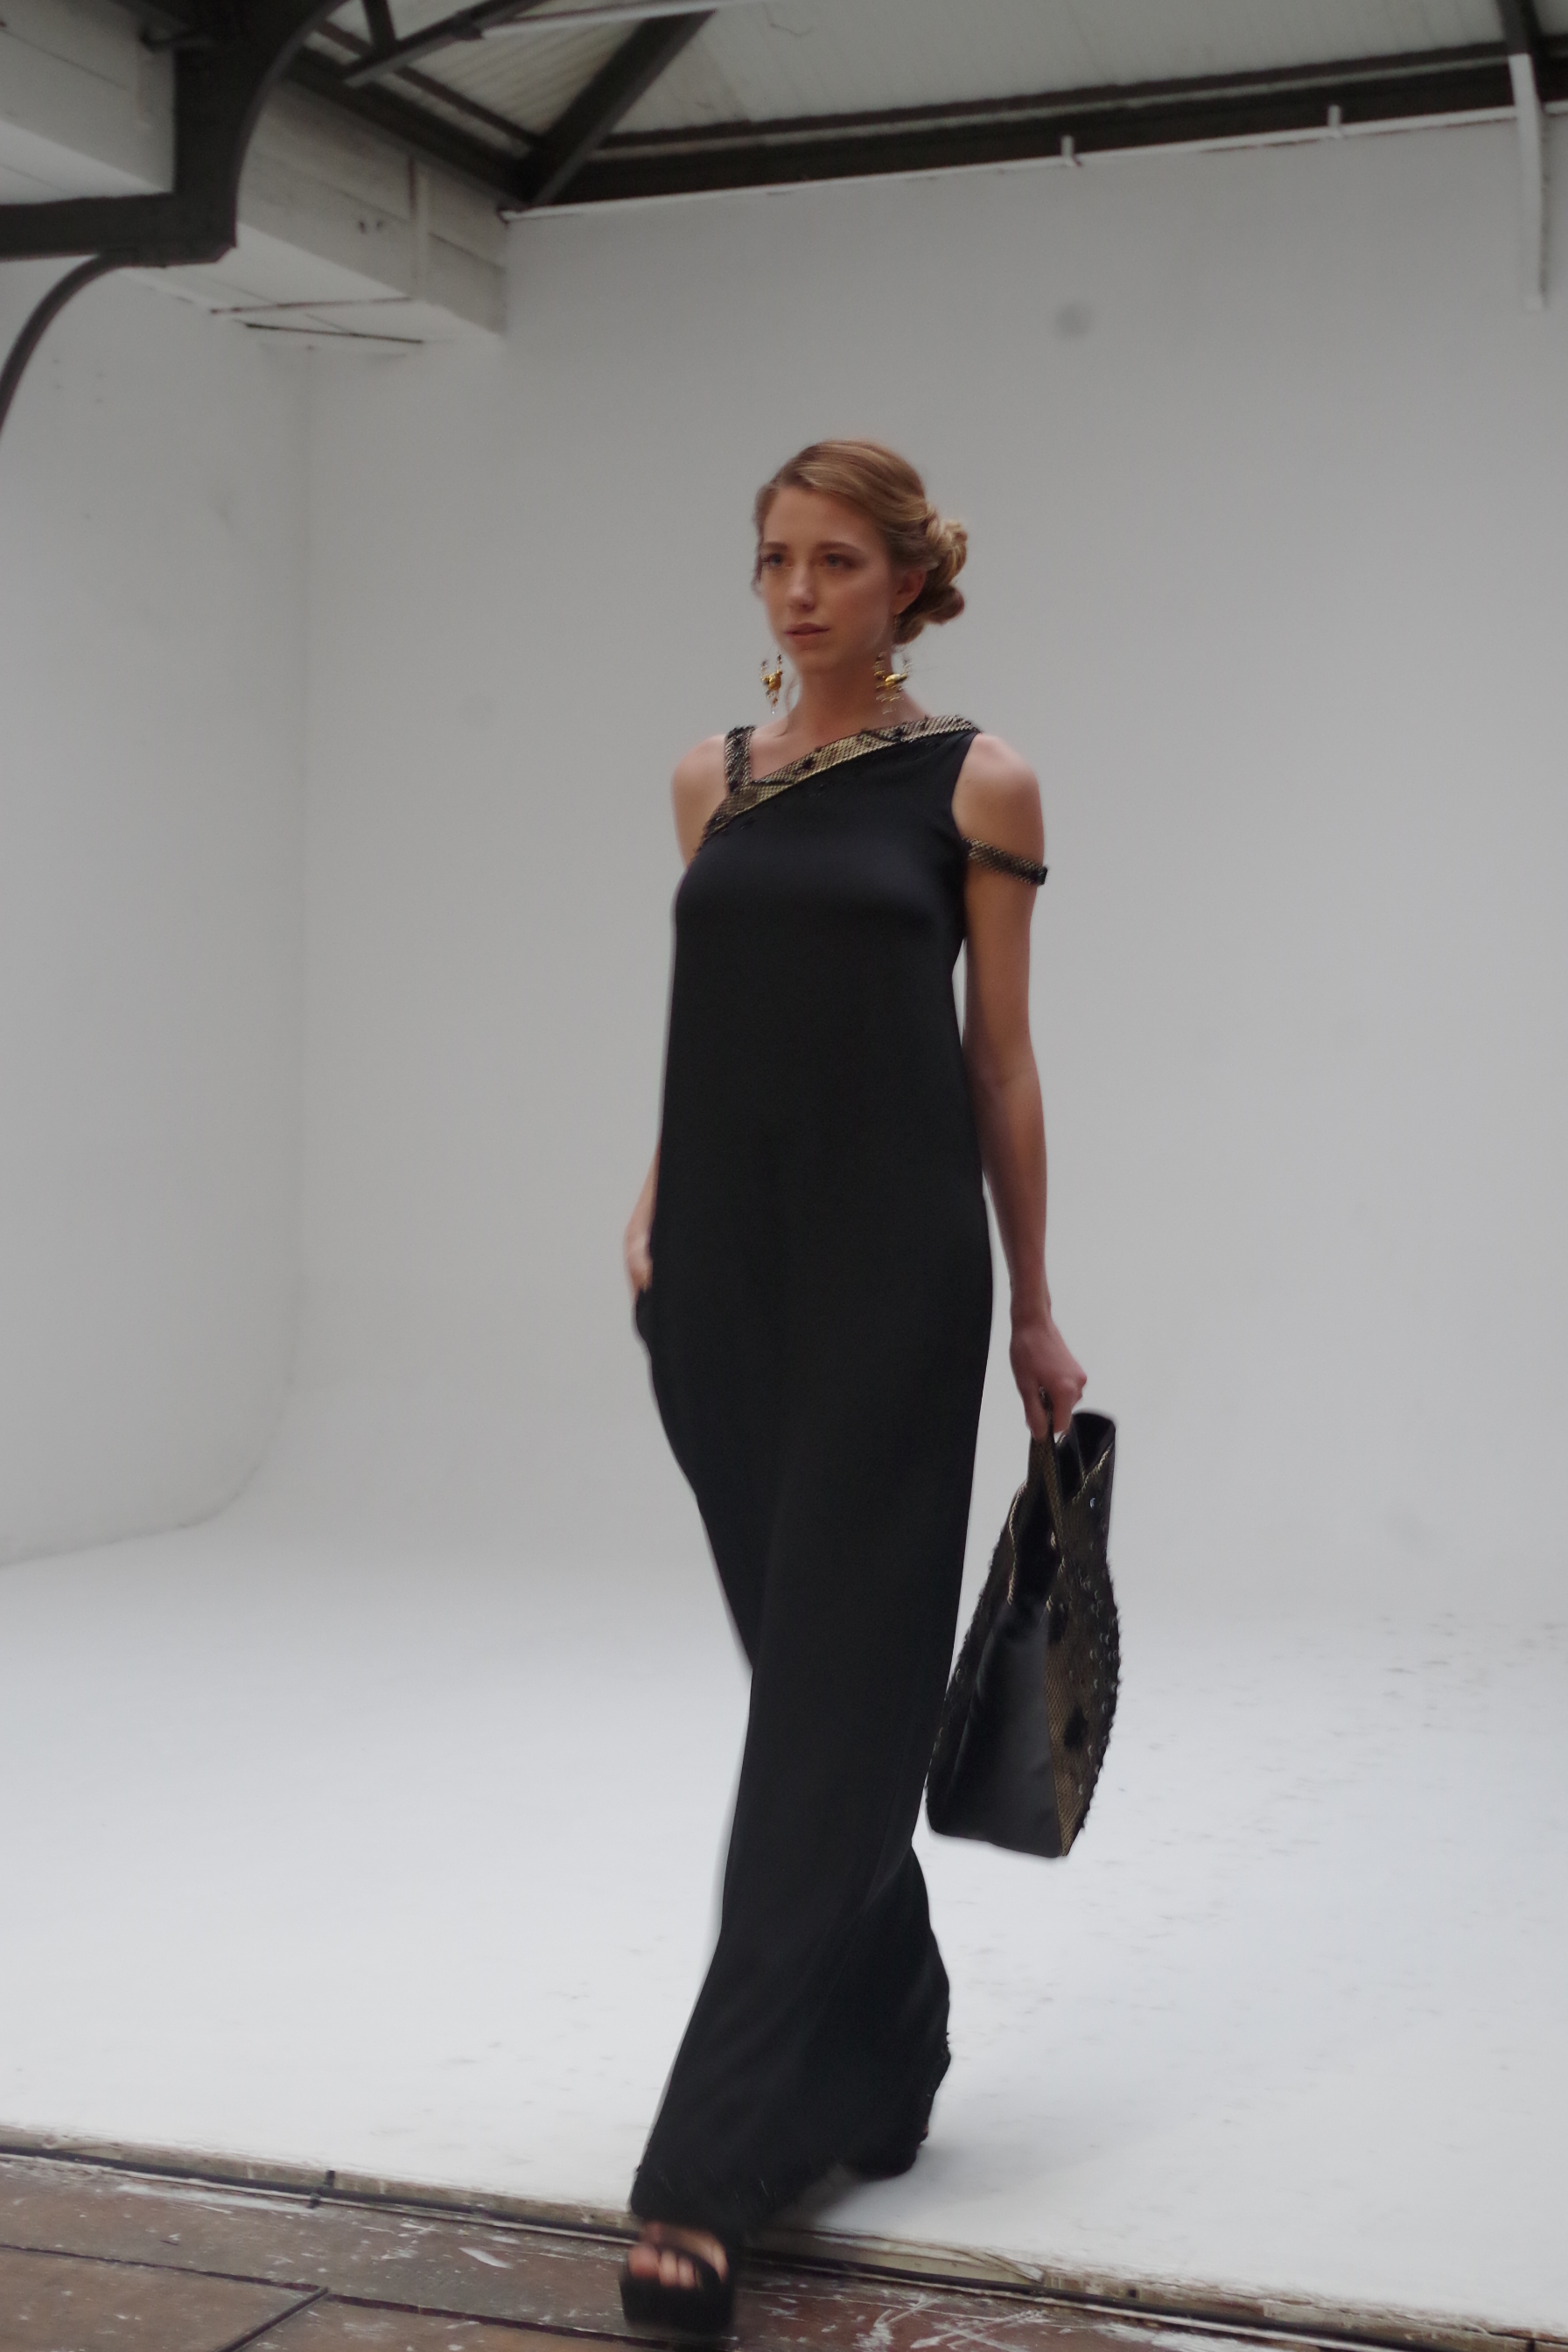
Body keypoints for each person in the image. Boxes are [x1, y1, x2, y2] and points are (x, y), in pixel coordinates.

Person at [620, 439, 1085, 2334]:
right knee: (815, 1691)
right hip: (717, 1288)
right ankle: (892, 2032)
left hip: (895, 1277)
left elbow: (999, 1063)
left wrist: (1033, 1304)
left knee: (824, 1705)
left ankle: (704, 2171)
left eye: (833, 562)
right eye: (773, 561)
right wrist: (655, 1198)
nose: (797, 593)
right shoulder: (708, 782)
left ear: (906, 582)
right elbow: (711, 1023)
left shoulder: (979, 781)